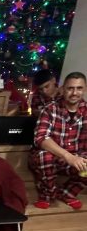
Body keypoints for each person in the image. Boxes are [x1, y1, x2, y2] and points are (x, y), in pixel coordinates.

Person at [29, 71, 87, 210]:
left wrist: (80, 158)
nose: (74, 93)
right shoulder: (50, 109)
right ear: (63, 89)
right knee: (44, 156)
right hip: (52, 157)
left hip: (76, 158)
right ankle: (47, 195)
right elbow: (41, 138)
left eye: (79, 88)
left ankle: (67, 194)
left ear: (85, 89)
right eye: (70, 88)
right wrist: (68, 156)